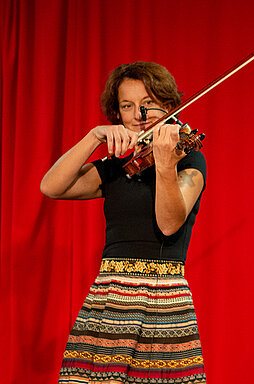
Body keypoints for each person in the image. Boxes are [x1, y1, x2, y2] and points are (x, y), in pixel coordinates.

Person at [40, 61, 207, 383]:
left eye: (148, 105)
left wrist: (164, 163)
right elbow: (51, 186)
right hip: (110, 293)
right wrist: (93, 137)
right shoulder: (118, 166)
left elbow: (170, 223)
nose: (138, 116)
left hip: (163, 296)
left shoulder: (189, 159)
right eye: (127, 106)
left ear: (170, 106)